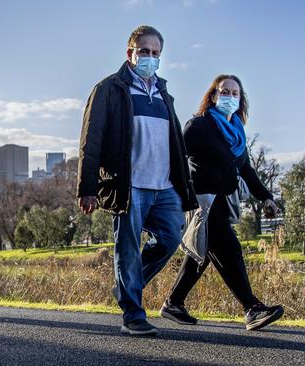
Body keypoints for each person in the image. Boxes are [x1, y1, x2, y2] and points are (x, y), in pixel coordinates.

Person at [77, 25, 198, 336]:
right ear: (129, 53)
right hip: (129, 185)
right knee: (127, 249)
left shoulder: (163, 93)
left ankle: (126, 286)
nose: (150, 57)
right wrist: (87, 188)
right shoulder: (110, 89)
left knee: (171, 238)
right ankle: (133, 314)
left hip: (165, 186)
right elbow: (91, 140)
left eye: (156, 53)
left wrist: (184, 186)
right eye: (144, 51)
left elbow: (175, 142)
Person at [160, 75, 284, 331]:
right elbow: (175, 158)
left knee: (202, 252)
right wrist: (176, 196)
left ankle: (173, 303)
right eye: (224, 91)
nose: (229, 96)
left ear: (241, 100)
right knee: (229, 248)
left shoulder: (237, 130)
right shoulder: (198, 125)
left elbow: (246, 169)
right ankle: (252, 308)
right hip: (203, 201)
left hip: (223, 200)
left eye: (234, 93)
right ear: (213, 96)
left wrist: (266, 197)